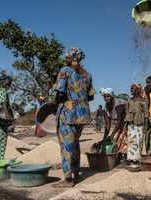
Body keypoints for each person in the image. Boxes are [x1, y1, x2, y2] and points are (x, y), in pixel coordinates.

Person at [50, 47, 96, 188]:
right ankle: (76, 172)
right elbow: (91, 96)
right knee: (75, 143)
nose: (65, 59)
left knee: (66, 145)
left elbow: (60, 93)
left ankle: (68, 180)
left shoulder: (66, 70)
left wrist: (54, 103)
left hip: (68, 113)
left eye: (67, 57)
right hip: (82, 114)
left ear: (70, 57)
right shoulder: (87, 74)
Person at [124, 84, 149, 168]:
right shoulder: (129, 100)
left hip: (139, 124)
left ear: (138, 90)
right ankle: (130, 158)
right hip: (130, 124)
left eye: (133, 89)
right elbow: (127, 111)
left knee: (138, 141)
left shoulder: (143, 101)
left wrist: (146, 126)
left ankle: (137, 159)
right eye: (131, 88)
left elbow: (146, 114)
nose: (131, 90)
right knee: (131, 141)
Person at [99, 87, 128, 154]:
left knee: (123, 138)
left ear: (112, 96)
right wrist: (104, 139)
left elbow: (119, 120)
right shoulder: (105, 109)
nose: (106, 98)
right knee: (116, 139)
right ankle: (119, 155)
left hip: (128, 121)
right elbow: (107, 124)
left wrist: (112, 134)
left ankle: (125, 156)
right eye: (105, 97)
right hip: (121, 123)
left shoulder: (119, 104)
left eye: (108, 96)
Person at [143, 75, 151, 155]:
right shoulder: (146, 92)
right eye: (147, 83)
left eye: (149, 83)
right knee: (147, 135)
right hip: (147, 115)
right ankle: (148, 153)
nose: (148, 84)